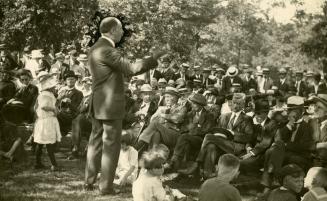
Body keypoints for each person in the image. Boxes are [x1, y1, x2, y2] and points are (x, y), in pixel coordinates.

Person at [85, 17, 166, 195]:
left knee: (95, 142)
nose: (123, 32)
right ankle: (105, 187)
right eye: (121, 29)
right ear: (113, 30)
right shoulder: (107, 50)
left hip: (98, 103)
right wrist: (154, 58)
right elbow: (131, 69)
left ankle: (89, 181)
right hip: (110, 105)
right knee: (111, 145)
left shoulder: (95, 48)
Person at [33, 71, 61, 171]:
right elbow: (44, 106)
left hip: (43, 121)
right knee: (49, 143)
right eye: (53, 86)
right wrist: (53, 109)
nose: (55, 88)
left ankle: (37, 163)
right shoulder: (46, 94)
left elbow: (35, 107)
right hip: (46, 122)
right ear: (49, 87)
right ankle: (54, 164)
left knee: (40, 143)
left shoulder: (45, 94)